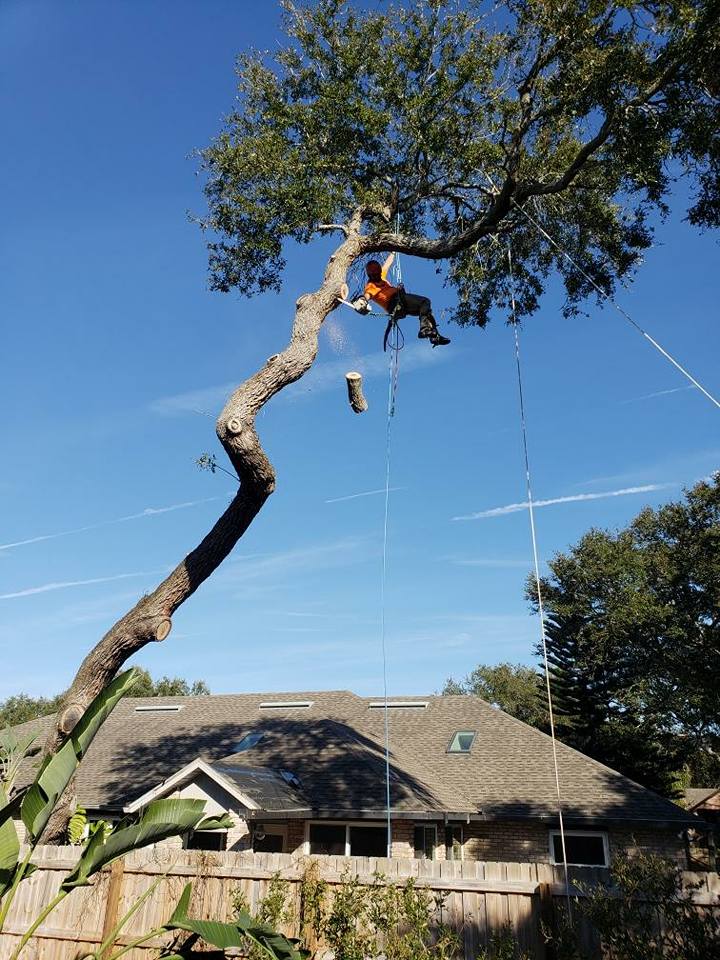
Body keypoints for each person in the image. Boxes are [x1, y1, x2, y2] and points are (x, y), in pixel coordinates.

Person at [353, 253, 450, 347]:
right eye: (373, 275)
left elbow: (388, 263)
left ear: (379, 271)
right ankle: (424, 329)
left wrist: (393, 252)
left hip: (402, 305)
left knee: (426, 310)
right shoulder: (370, 286)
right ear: (370, 275)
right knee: (425, 301)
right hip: (395, 305)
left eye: (377, 273)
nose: (376, 276)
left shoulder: (382, 276)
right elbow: (367, 295)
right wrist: (362, 301)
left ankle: (435, 337)